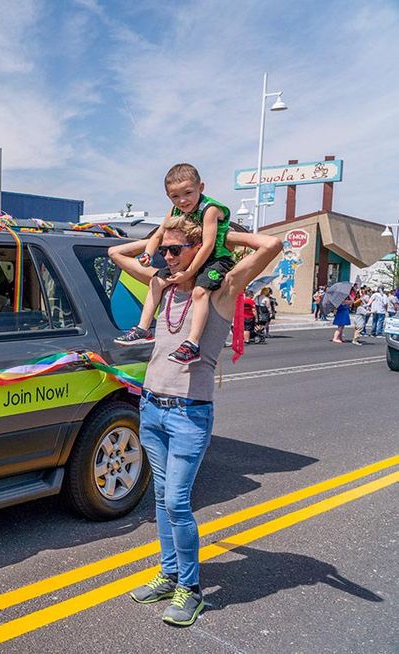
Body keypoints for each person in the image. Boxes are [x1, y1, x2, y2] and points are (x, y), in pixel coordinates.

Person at [109, 217, 281, 627]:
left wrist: (216, 237)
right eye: (164, 252)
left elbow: (271, 244)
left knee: (176, 502)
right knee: (162, 501)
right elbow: (115, 254)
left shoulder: (219, 294)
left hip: (188, 413)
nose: (168, 258)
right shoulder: (161, 286)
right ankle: (169, 576)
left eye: (176, 250)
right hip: (150, 408)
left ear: (198, 250)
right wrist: (157, 239)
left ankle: (191, 588)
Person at [115, 164, 235, 365]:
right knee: (156, 281)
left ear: (201, 187)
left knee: (199, 292)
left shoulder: (210, 209)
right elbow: (158, 235)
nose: (182, 201)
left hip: (215, 259)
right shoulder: (175, 210)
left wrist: (188, 274)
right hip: (192, 257)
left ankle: (192, 344)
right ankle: (143, 329)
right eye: (175, 196)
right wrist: (148, 254)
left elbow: (207, 246)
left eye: (188, 193)